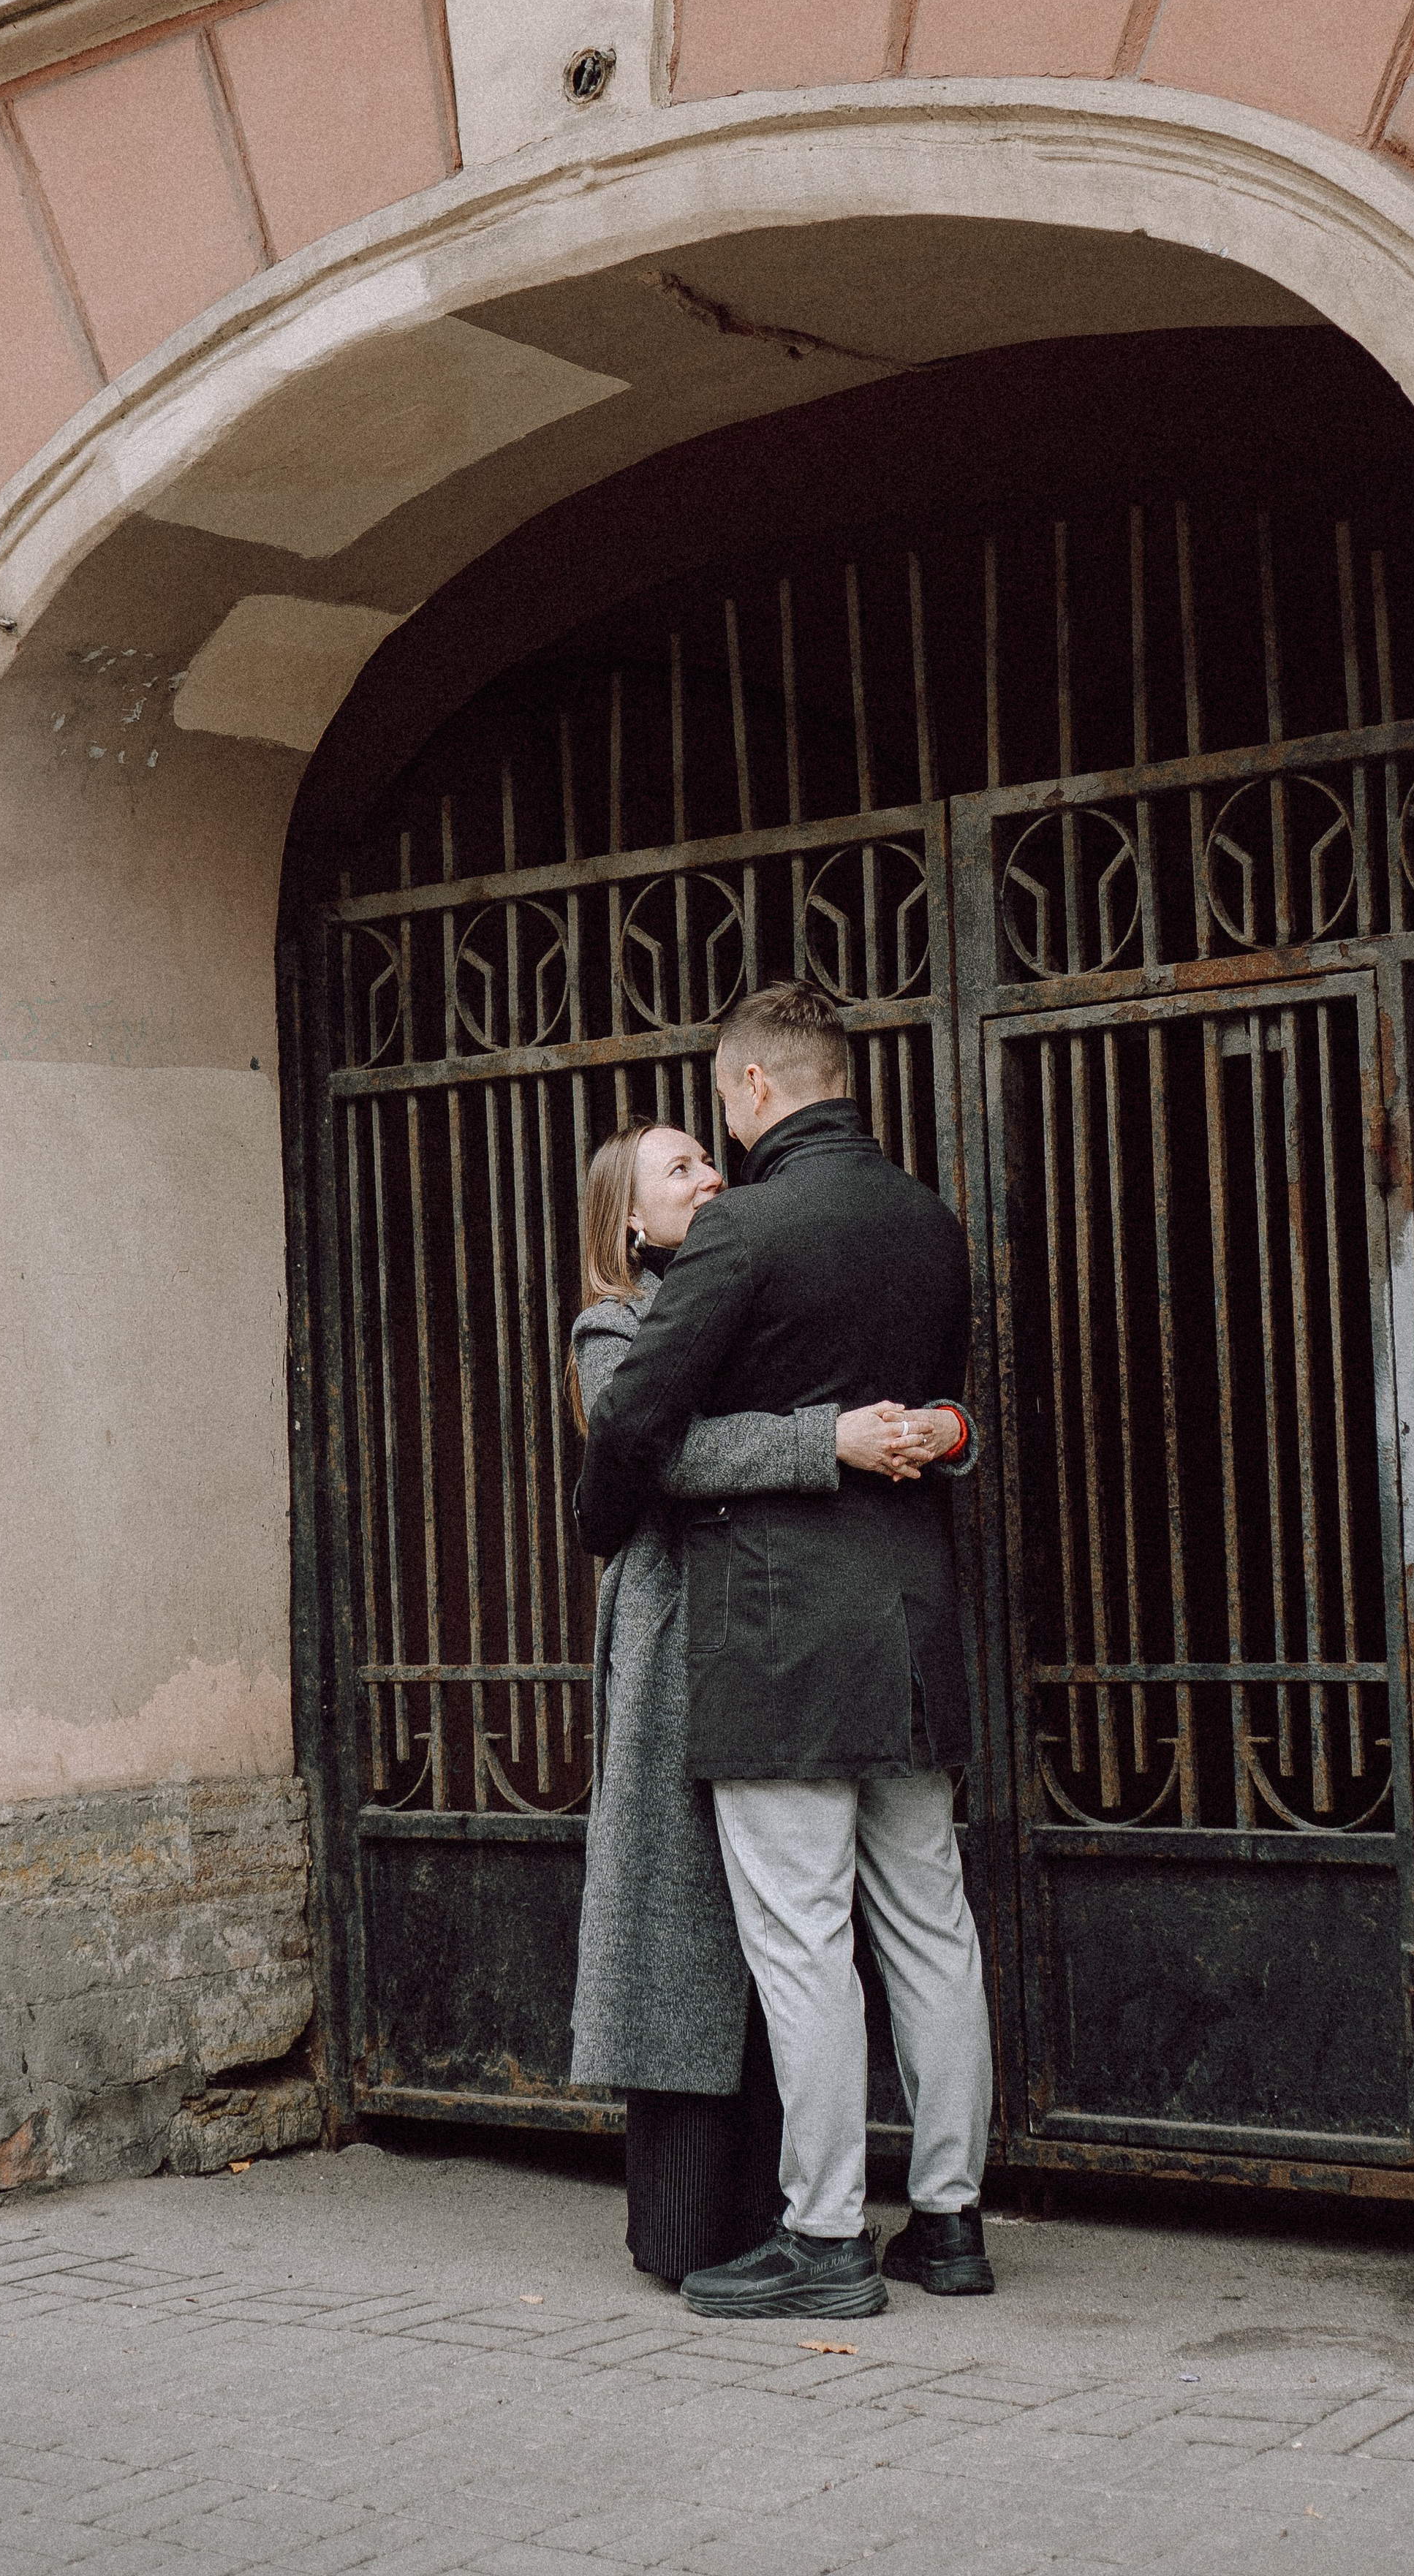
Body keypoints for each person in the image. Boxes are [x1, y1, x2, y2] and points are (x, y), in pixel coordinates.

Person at [576, 982, 997, 2319]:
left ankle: (824, 2244)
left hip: (778, 1639)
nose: (718, 1146)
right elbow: (943, 1403)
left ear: (756, 1090)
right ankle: (951, 2226)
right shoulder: (928, 1221)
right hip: (916, 1622)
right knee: (932, 1926)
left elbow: (633, 1419)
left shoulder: (747, 1228)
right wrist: (936, 1434)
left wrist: (601, 1521)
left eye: (717, 1116)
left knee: (805, 1940)